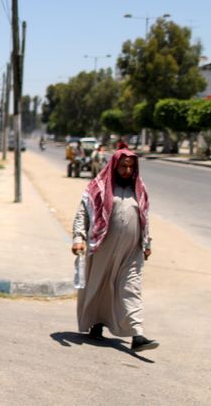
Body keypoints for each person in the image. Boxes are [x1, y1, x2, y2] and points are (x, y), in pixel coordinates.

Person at [70, 148, 158, 352]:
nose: (127, 170)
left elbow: (144, 218)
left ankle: (137, 335)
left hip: (131, 250)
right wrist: (78, 238)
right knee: (101, 286)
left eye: (131, 167)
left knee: (131, 288)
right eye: (123, 166)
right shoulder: (98, 188)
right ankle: (97, 323)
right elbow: (82, 214)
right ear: (114, 166)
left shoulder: (140, 189)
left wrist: (147, 243)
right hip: (102, 248)